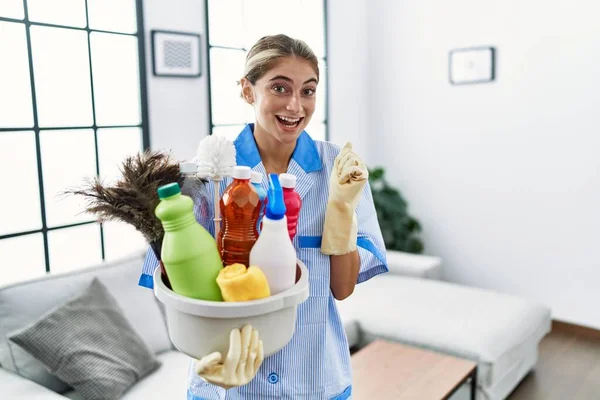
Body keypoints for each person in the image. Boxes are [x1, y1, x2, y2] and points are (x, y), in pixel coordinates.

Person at [140, 34, 388, 399]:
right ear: (247, 90)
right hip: (229, 382)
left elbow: (342, 288)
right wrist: (203, 351)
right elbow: (177, 286)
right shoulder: (208, 173)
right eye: (279, 87)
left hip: (314, 375)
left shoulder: (339, 169)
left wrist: (340, 211)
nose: (295, 105)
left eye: (308, 91)